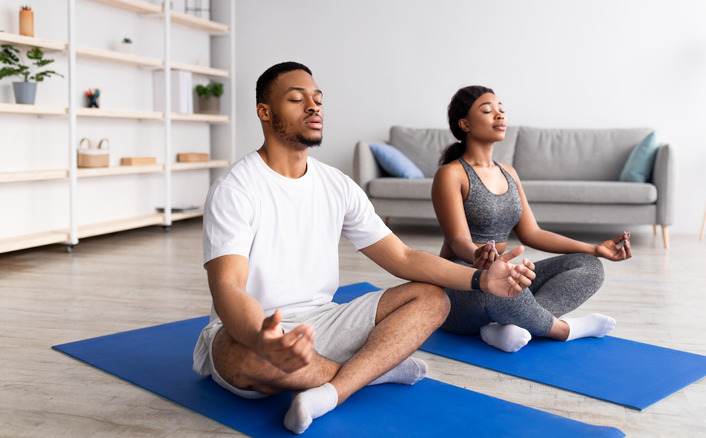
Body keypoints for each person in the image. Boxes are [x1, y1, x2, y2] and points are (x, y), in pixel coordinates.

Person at [192, 63, 536, 434]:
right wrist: (263, 338)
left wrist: (482, 279)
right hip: (254, 328)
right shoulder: (235, 188)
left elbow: (402, 257)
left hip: (324, 321)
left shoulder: (337, 185)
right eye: (296, 99)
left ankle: (331, 391)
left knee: (434, 298)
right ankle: (372, 371)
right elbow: (228, 287)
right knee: (243, 357)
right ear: (264, 111)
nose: (313, 107)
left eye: (318, 100)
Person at [431, 85, 632, 353]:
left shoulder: (509, 173)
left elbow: (532, 233)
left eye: (502, 111)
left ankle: (506, 326)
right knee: (501, 289)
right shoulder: (451, 174)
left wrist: (593, 248)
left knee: (589, 266)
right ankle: (564, 330)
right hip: (460, 288)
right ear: (465, 123)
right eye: (488, 111)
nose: (500, 116)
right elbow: (457, 241)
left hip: (499, 279)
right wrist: (478, 254)